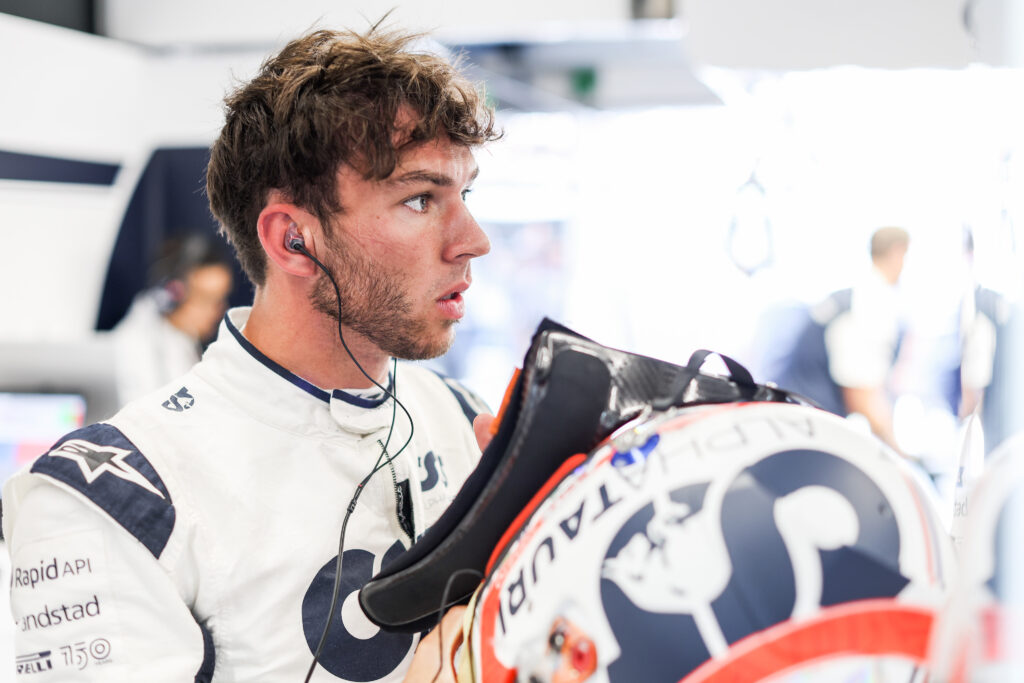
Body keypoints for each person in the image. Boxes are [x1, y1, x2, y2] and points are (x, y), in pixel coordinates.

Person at [3, 25, 499, 682]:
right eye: (420, 198)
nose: (473, 240)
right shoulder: (109, 497)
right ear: (295, 240)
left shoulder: (467, 422)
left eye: (465, 195)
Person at [772, 227, 910, 453]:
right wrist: (900, 457)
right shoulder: (869, 304)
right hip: (803, 430)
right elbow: (861, 392)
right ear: (898, 253)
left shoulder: (855, 295)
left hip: (798, 420)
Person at [111, 233, 234, 405]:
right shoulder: (135, 348)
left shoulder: (183, 341)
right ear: (171, 295)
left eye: (221, 298)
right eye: (206, 299)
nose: (220, 310)